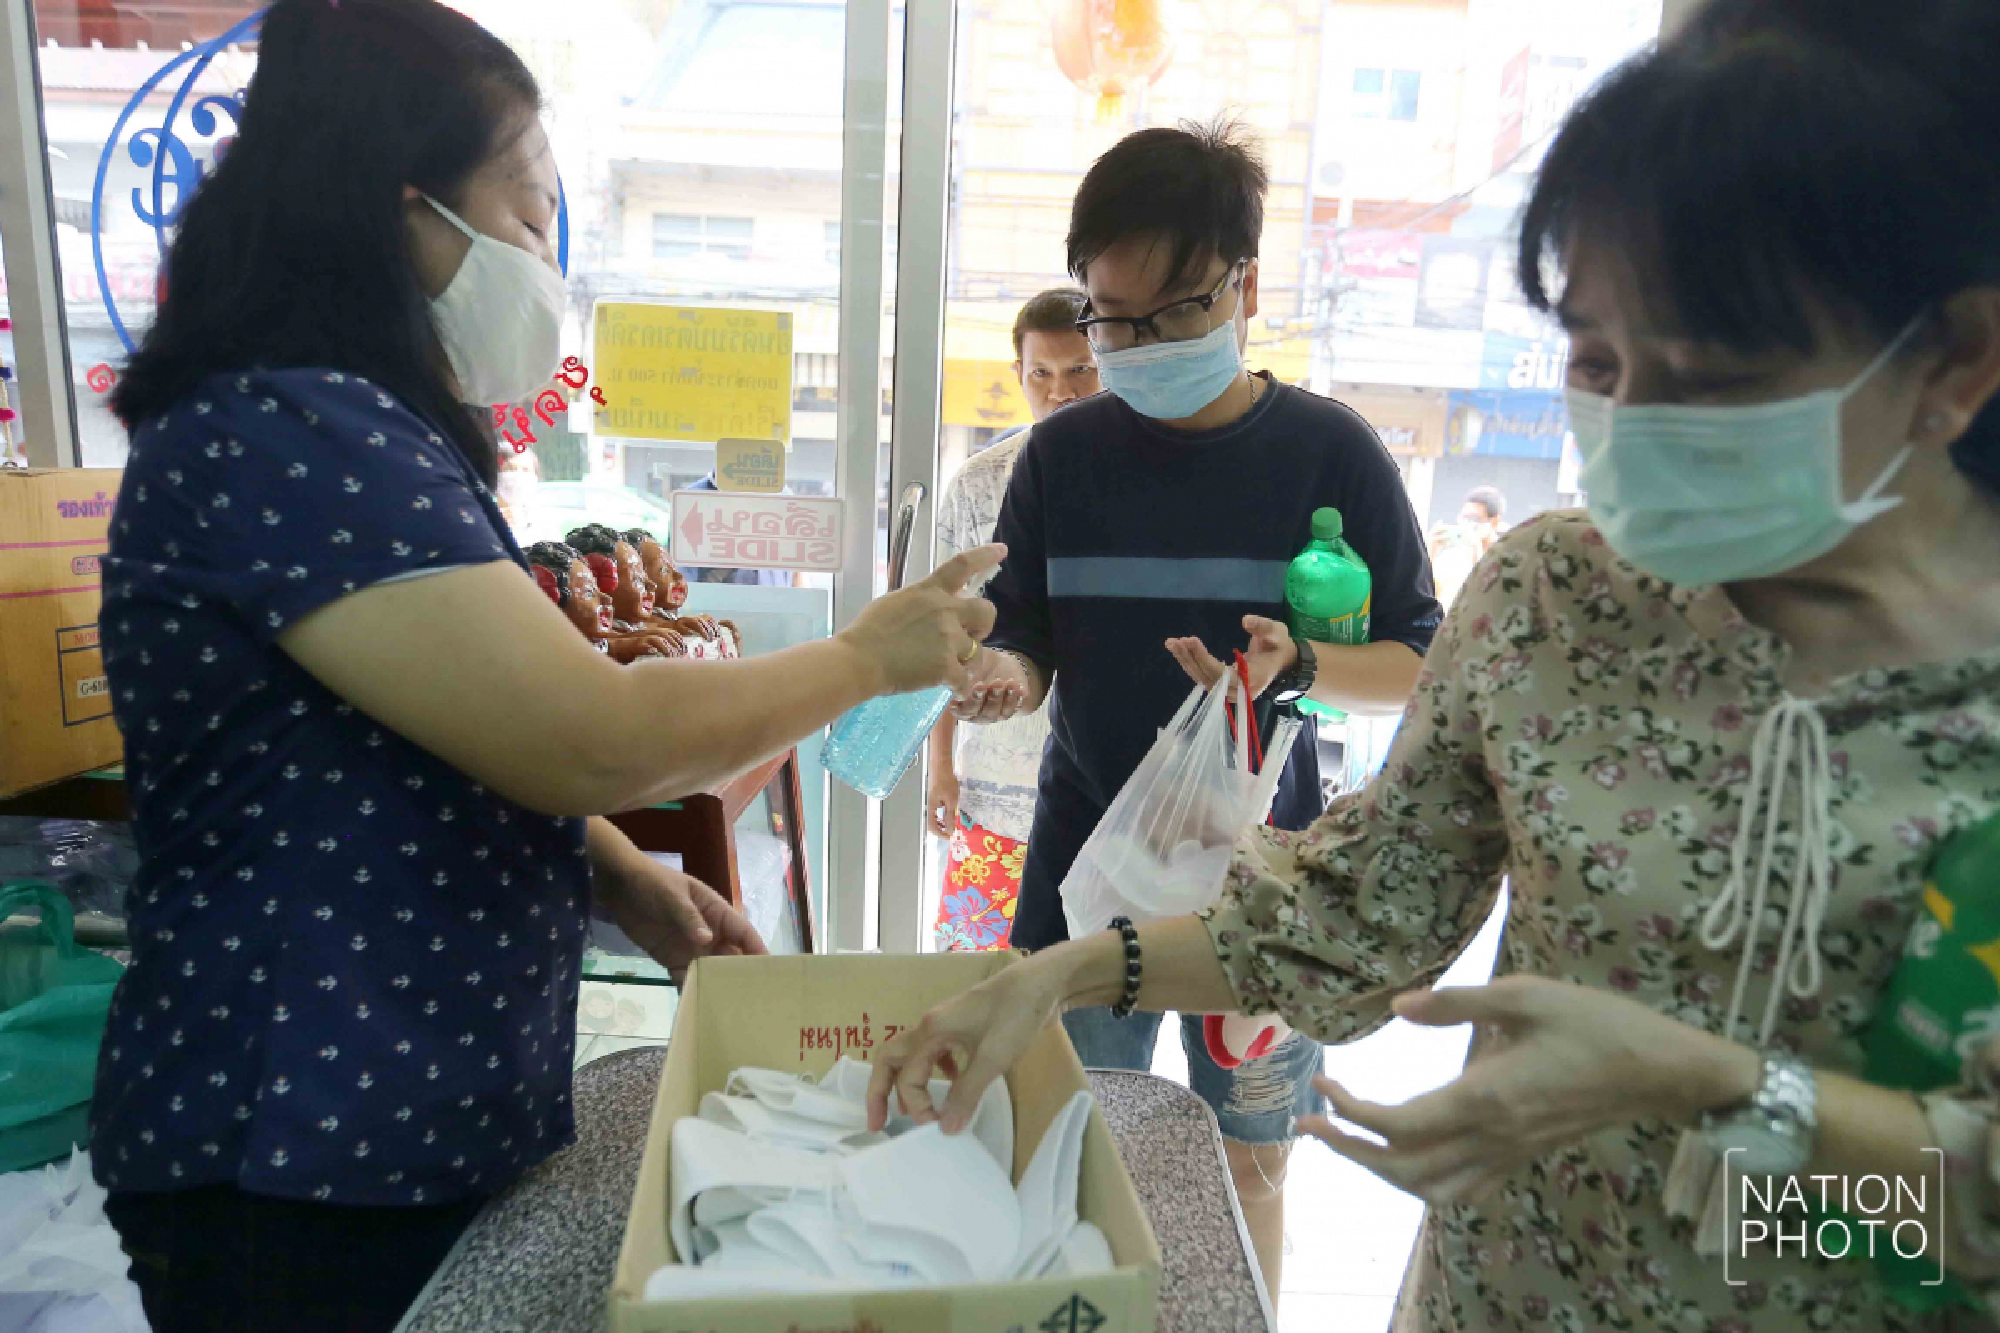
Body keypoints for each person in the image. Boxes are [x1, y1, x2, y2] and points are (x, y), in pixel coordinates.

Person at [871, 2, 2000, 1327]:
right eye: (1592, 357)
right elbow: (1359, 913)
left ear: (1955, 365)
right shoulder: (1555, 598)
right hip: (1500, 1294)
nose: (1631, 425)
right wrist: (1056, 968)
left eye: (1708, 377)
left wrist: (1725, 1092)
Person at [93, 3, 998, 1328]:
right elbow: (599, 733)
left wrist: (616, 870)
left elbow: (430, 730)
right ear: (393, 206)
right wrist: (863, 658)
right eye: (523, 213)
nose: (542, 257)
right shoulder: (286, 432)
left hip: (402, 1121)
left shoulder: (373, 432)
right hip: (301, 1147)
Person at [950, 120, 1443, 1295]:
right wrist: (1006, 674)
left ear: (1242, 286)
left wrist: (1305, 665)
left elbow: (1419, 662)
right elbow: (1021, 625)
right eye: (1106, 316)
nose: (1131, 343)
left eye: (1169, 313)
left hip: (1264, 879)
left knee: (1247, 1168)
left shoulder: (1332, 456)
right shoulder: (1059, 458)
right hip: (1083, 866)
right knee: (1072, 1157)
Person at [926, 286, 1098, 951]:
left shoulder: (1142, 478)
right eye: (1043, 374)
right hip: (994, 796)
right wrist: (942, 766)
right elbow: (943, 633)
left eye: (1081, 369)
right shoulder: (976, 483)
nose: (1062, 390)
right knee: (975, 995)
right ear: (1019, 376)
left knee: (1077, 1013)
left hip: (1101, 804)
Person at [1428, 484, 1507, 608]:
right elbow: (1429, 592)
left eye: (1475, 518)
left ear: (1495, 521)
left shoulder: (1507, 557)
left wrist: (1477, 552)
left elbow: (1491, 598)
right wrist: (1430, 554)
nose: (1468, 524)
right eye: (1464, 518)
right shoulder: (1453, 555)